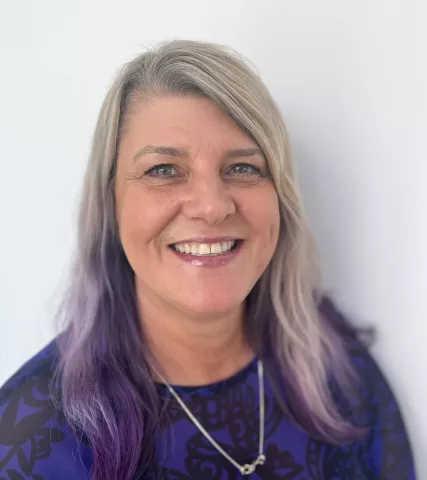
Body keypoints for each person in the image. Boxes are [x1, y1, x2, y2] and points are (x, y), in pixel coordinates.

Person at [0, 39, 416, 480]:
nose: (212, 206)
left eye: (243, 168)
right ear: (112, 201)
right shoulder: (32, 438)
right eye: (163, 170)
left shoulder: (339, 368)